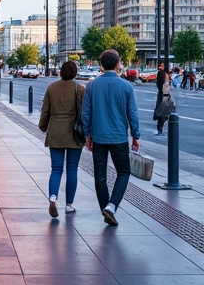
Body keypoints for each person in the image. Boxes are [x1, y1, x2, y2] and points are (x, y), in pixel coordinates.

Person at [82, 49, 140, 226]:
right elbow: (133, 114)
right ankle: (112, 206)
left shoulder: (92, 85)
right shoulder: (126, 86)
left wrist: (87, 134)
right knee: (124, 171)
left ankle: (105, 208)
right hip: (119, 137)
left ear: (101, 65)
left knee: (100, 175)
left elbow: (86, 113)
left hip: (99, 136)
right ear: (118, 64)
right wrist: (136, 136)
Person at [39, 59, 85, 218]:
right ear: (75, 73)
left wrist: (43, 126)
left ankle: (53, 198)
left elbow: (45, 110)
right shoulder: (80, 89)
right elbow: (84, 113)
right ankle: (69, 204)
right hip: (74, 132)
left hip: (56, 131)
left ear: (61, 72)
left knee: (56, 169)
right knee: (72, 169)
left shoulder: (52, 88)